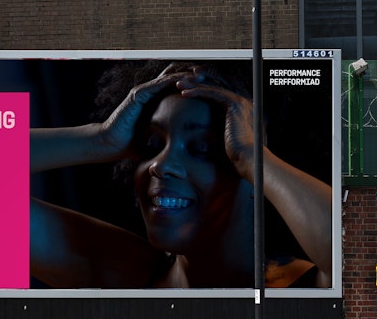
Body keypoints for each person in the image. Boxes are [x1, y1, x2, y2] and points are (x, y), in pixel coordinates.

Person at [30, 60, 332, 289]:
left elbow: (361, 249)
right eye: (151, 144)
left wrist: (254, 157)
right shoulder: (125, 274)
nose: (159, 165)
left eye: (202, 148)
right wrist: (100, 139)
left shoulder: (311, 284)